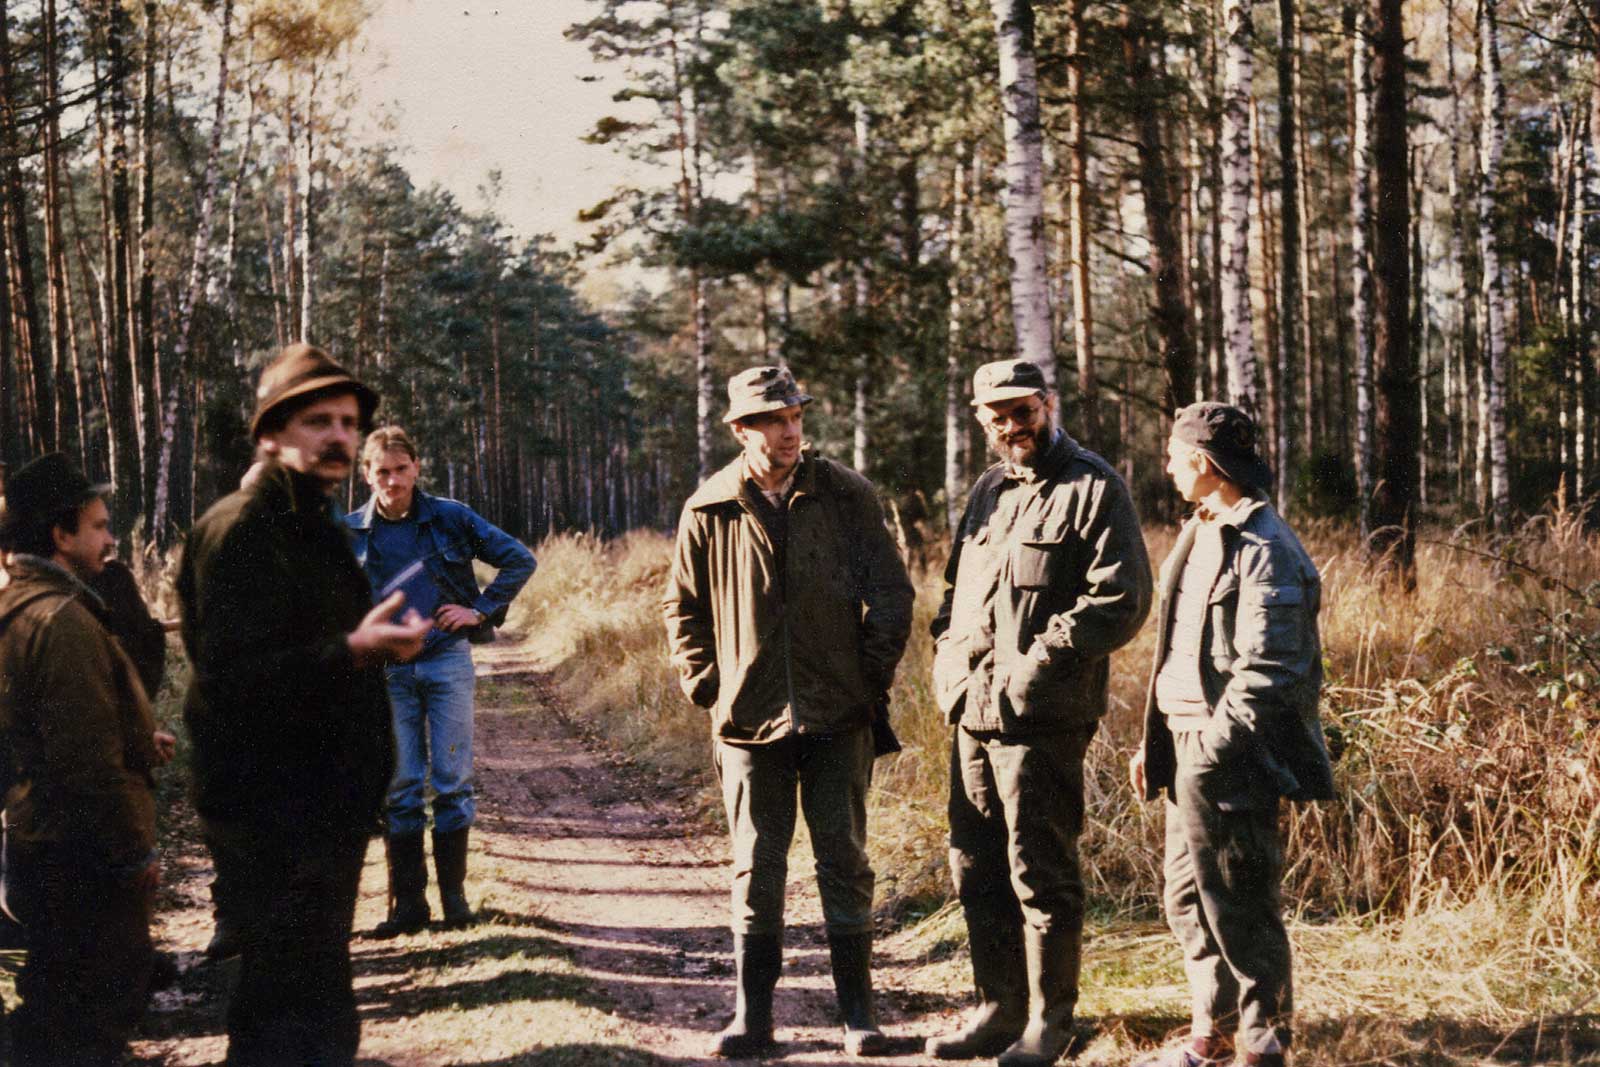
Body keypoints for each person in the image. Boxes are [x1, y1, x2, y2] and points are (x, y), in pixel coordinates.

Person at [177, 343, 430, 1066]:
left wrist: (362, 642)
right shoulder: (243, 529)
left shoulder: (310, 522)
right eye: (318, 421)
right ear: (270, 433)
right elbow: (232, 681)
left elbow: (299, 645)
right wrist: (353, 649)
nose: (339, 437)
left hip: (317, 807)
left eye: (349, 423)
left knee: (313, 1009)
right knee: (288, 1017)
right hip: (271, 812)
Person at [663, 365, 914, 1059]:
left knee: (845, 860)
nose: (790, 430)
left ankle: (859, 1017)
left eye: (796, 415)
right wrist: (707, 685)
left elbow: (891, 592)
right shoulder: (709, 507)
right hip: (747, 722)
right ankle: (753, 1018)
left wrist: (868, 676)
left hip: (840, 716)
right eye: (774, 420)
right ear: (742, 430)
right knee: (757, 865)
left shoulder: (845, 493)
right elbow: (681, 607)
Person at [926, 359, 1152, 1067]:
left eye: (1022, 411)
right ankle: (998, 1009)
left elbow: (1121, 598)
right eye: (997, 416)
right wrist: (946, 654)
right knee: (975, 864)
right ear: (981, 420)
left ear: (1047, 404)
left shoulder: (1093, 486)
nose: (1011, 426)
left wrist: (1038, 662)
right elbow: (958, 589)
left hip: (1042, 716)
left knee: (1039, 870)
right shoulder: (989, 489)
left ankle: (1050, 1023)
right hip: (972, 710)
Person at [1129, 403, 1334, 1067]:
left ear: (1204, 462)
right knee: (1188, 899)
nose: (1167, 466)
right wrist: (1156, 744)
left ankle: (1263, 1043)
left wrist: (1209, 755)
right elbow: (1179, 650)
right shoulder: (1200, 529)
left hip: (1231, 754)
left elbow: (1269, 671)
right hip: (1184, 742)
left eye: (1173, 455)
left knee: (1240, 904)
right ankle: (1211, 1035)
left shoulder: (1266, 547)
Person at [0, 451, 174, 1066]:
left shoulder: (19, 607)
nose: (110, 539)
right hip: (83, 860)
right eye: (98, 526)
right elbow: (88, 770)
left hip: (40, 845)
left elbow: (37, 733)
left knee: (52, 1012)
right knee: (89, 1020)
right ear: (61, 534)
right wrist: (134, 856)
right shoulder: (61, 621)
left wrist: (137, 735)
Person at [346, 426, 536, 936]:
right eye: (382, 472)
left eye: (401, 469)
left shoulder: (450, 517)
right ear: (366, 475)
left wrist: (480, 610)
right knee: (401, 785)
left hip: (447, 660)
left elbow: (519, 559)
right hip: (386, 671)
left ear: (416, 468)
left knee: (452, 781)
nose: (393, 481)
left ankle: (455, 902)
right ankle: (408, 907)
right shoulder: (350, 533)